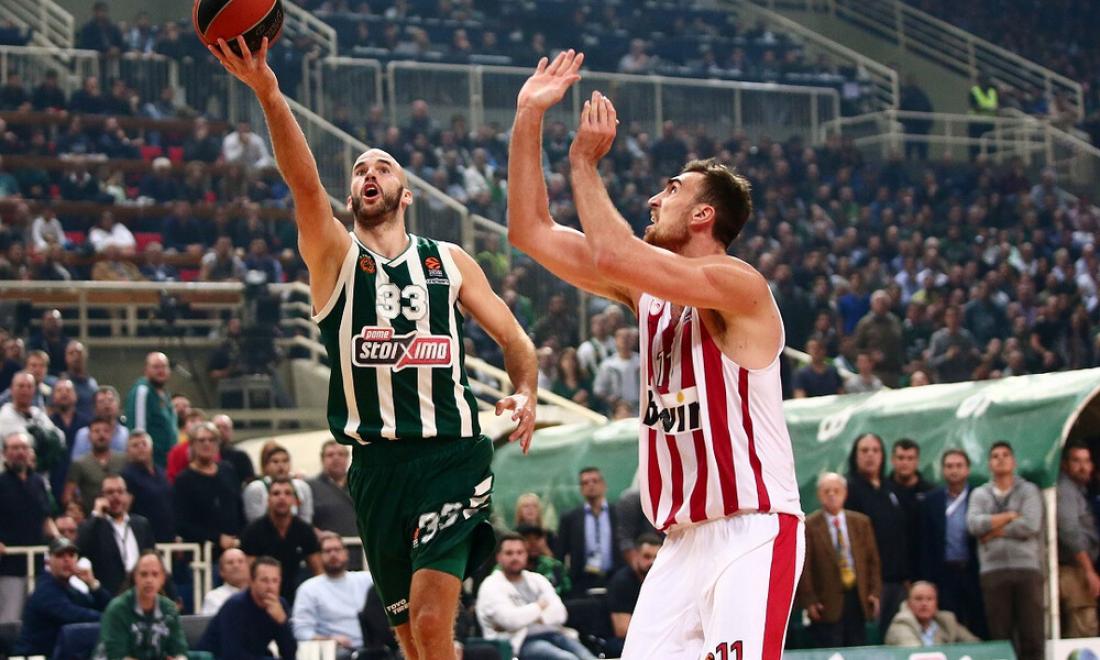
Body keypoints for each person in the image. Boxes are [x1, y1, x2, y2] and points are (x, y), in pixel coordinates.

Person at [210, 34, 537, 660]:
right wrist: (269, 93)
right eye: (360, 169)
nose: (369, 174)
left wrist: (524, 390)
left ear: (404, 194)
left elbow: (514, 338)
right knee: (411, 640)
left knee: (432, 622)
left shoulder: (449, 261)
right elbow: (304, 185)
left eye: (382, 167)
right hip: (375, 468)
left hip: (451, 454)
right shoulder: (334, 258)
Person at [510, 50, 804, 659]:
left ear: (703, 214)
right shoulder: (648, 293)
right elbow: (531, 232)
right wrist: (528, 116)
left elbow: (615, 253)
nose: (652, 199)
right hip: (680, 543)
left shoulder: (739, 285)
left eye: (670, 190)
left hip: (751, 529)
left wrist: (583, 163)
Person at [967, 441, 1043, 660]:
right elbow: (973, 525)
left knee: (1032, 632)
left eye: (1005, 455)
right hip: (993, 570)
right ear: (989, 464)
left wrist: (993, 531)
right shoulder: (980, 494)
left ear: (1014, 462)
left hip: (1026, 568)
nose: (1000, 459)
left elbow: (1030, 525)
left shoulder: (1028, 490)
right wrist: (1009, 516)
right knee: (1000, 634)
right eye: (995, 456)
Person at [476, 532, 595, 660]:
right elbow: (511, 621)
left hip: (554, 634)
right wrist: (539, 606)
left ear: (526, 555)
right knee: (567, 659)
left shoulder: (537, 579)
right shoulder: (491, 585)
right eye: (509, 553)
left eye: (520, 552)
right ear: (498, 557)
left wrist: (526, 619)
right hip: (518, 643)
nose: (515, 557)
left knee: (589, 658)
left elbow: (561, 614)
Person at [797, 473, 881, 648]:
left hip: (857, 597)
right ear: (819, 495)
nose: (832, 495)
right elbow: (805, 567)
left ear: (845, 493)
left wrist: (875, 592)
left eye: (836, 490)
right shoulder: (809, 525)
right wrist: (809, 600)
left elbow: (873, 561)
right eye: (826, 491)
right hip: (826, 602)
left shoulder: (861, 523)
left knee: (858, 648)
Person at [917, 449, 986, 637]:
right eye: (949, 466)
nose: (954, 470)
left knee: (978, 623)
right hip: (943, 574)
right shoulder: (931, 500)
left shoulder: (979, 496)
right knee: (948, 624)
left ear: (967, 469)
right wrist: (927, 579)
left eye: (958, 466)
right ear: (942, 470)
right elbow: (925, 543)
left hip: (973, 571)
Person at [845, 432, 909, 633]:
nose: (870, 455)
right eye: (864, 450)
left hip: (897, 580)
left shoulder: (891, 489)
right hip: (869, 583)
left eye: (875, 450)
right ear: (855, 456)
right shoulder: (848, 490)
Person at [15, 537, 112, 656]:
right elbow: (74, 614)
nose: (67, 560)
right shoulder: (45, 590)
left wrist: (93, 584)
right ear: (48, 561)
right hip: (35, 656)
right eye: (60, 555)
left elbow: (108, 608)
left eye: (71, 555)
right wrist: (111, 619)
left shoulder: (70, 589)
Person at [0, 430, 57, 623]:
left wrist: (60, 543)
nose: (20, 452)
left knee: (38, 619)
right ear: (5, 453)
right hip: (9, 566)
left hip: (38, 564)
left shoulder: (38, 482)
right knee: (10, 621)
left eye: (24, 447)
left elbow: (46, 519)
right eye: (15, 448)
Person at [239, 476, 322, 604]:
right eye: (276, 493)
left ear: (295, 501)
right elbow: (248, 575)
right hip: (261, 597)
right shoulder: (253, 531)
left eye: (287, 493)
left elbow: (319, 571)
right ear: (268, 500)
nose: (282, 498)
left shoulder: (304, 530)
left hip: (295, 596)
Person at [197, 556, 297, 659]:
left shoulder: (280, 605)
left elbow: (290, 654)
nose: (270, 587)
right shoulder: (235, 606)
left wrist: (282, 622)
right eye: (264, 580)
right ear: (251, 582)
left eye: (275, 581)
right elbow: (233, 655)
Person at [93, 551, 188, 660]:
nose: (149, 580)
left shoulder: (169, 609)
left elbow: (180, 650)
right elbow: (117, 656)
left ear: (163, 578)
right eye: (144, 574)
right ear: (135, 577)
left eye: (155, 574)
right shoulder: (117, 609)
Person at [292, 533, 375, 656]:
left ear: (346, 553)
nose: (333, 554)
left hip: (372, 648)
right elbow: (301, 631)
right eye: (327, 551)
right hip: (333, 651)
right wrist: (330, 641)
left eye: (337, 549)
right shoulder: (308, 589)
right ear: (320, 556)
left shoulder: (366, 580)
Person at [173, 421, 244, 560]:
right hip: (202, 554)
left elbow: (239, 508)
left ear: (218, 444)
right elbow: (182, 523)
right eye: (201, 440)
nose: (207, 444)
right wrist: (217, 538)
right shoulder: (184, 479)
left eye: (211, 440)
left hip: (234, 550)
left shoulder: (228, 470)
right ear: (192, 445)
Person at [76, 475, 157, 595]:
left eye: (120, 491)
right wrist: (96, 514)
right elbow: (79, 546)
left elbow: (155, 559)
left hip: (141, 593)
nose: (115, 496)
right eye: (110, 492)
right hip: (109, 595)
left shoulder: (141, 524)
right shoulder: (96, 526)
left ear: (127, 496)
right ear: (101, 497)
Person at [556, 467, 622, 596]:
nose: (591, 485)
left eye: (595, 481)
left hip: (614, 577)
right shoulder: (570, 518)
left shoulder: (618, 513)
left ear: (604, 485)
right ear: (581, 489)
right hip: (581, 580)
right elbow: (561, 552)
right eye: (585, 483)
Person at [1057, 440, 1100, 638]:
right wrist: (1089, 570)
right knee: (1084, 627)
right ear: (1065, 465)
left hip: (1081, 567)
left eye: (1086, 461)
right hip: (1073, 569)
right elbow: (1069, 531)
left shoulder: (1081, 490)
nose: (1083, 467)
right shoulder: (1066, 489)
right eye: (1076, 461)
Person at [64, 416, 127, 515]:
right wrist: (76, 511)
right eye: (96, 431)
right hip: (91, 517)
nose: (101, 434)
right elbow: (68, 495)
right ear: (89, 436)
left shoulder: (124, 460)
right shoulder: (80, 463)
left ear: (112, 434)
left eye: (106, 431)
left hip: (121, 517)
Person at [884, 581, 979, 647]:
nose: (924, 604)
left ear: (936, 603)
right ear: (909, 603)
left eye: (929, 599)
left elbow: (977, 646)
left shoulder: (947, 621)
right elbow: (916, 656)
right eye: (918, 599)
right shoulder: (902, 622)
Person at [120, 431, 175, 543]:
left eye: (144, 444)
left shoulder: (162, 472)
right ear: (128, 451)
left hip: (167, 535)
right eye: (135, 445)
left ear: (151, 448)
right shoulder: (127, 476)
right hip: (143, 536)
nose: (140, 448)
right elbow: (124, 510)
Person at [125, 352, 177, 468]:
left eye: (164, 367)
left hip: (167, 462)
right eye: (156, 367)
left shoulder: (165, 393)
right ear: (146, 370)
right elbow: (138, 431)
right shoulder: (142, 391)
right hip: (151, 463)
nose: (161, 371)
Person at [890, 438, 933, 577]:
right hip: (892, 570)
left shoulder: (930, 493)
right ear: (892, 460)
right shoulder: (882, 491)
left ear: (917, 461)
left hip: (923, 566)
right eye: (900, 458)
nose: (905, 462)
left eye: (910, 458)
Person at [607, 534, 662, 644]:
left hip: (652, 637)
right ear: (636, 555)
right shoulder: (622, 582)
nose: (652, 562)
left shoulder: (661, 581)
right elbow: (622, 630)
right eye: (647, 557)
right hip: (623, 640)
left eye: (657, 557)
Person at [243, 441, 314, 524]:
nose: (281, 465)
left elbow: (306, 520)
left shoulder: (302, 487)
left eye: (285, 461)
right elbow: (255, 523)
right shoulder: (255, 489)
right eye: (275, 461)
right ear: (266, 466)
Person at [308, 440, 359, 541]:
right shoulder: (310, 487)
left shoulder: (357, 484)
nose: (336, 458)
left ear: (348, 458)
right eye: (330, 455)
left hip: (360, 546)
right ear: (322, 459)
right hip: (327, 547)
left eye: (341, 454)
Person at [72, 386, 128, 458]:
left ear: (118, 405)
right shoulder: (83, 435)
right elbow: (77, 462)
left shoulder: (125, 434)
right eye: (101, 401)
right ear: (94, 408)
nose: (107, 404)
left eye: (110, 400)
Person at [516, 524, 571, 596]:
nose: (533, 543)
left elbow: (566, 591)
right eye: (527, 539)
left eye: (537, 538)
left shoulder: (554, 566)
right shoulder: (508, 569)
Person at [202, 548, 251, 616]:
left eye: (240, 561)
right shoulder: (213, 597)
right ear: (221, 572)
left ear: (249, 568)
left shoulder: (258, 593)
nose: (236, 566)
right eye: (230, 562)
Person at [213, 413, 255, 485]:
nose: (221, 431)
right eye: (217, 427)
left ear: (231, 432)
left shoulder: (240, 456)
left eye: (225, 428)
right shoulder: (204, 454)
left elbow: (250, 481)